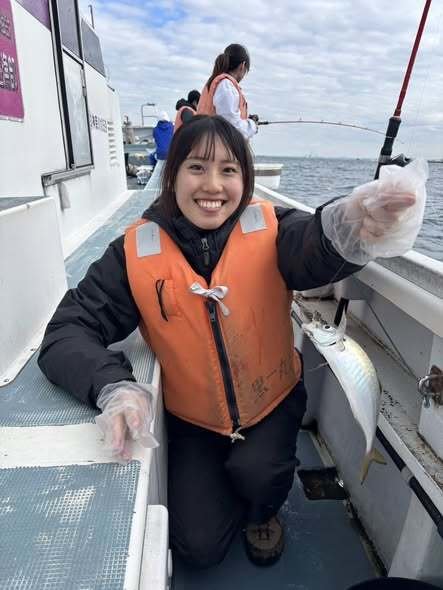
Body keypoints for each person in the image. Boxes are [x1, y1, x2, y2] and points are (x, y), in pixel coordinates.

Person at [38, 116, 426, 570]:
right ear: (172, 175)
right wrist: (114, 387)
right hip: (192, 421)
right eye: (196, 167)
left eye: (228, 170)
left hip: (271, 404)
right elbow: (67, 331)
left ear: (246, 178)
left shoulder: (274, 228)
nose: (213, 185)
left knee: (259, 476)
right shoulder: (131, 252)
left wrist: (352, 223)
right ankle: (229, 487)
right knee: (197, 547)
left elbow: (313, 246)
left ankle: (263, 509)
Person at [198, 44, 259, 140]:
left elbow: (226, 116)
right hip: (214, 146)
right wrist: (253, 125)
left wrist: (247, 119)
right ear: (242, 66)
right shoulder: (226, 86)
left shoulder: (218, 83)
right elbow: (232, 128)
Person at [145, 111, 174, 192]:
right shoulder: (173, 127)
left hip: (160, 155)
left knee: (156, 174)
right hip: (171, 154)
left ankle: (148, 190)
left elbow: (156, 142)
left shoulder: (155, 130)